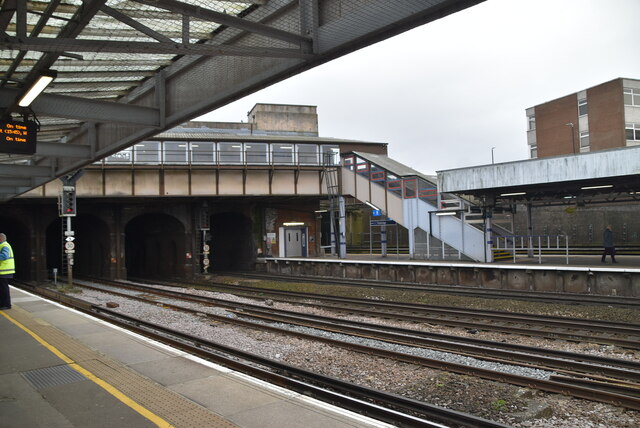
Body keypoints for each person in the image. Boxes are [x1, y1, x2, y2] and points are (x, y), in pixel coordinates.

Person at [0, 233, 15, 309]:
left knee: (4, 289)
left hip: (4, 271)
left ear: (1, 238)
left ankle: (6, 305)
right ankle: (3, 304)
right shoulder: (3, 245)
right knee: (2, 289)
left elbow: (4, 256)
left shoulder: (5, 245)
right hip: (3, 271)